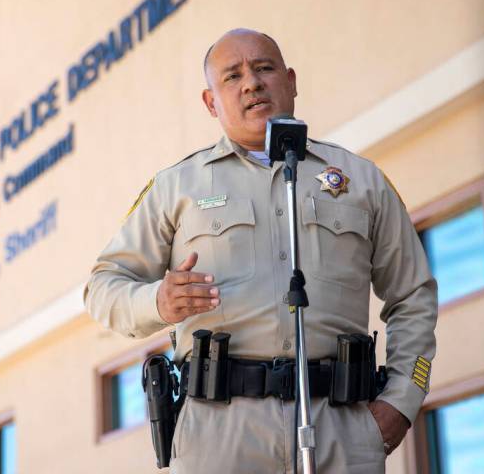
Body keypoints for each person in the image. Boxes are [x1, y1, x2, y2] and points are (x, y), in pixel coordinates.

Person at [84, 28, 437, 473]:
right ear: (211, 103)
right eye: (232, 76)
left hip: (342, 428)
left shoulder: (361, 181)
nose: (251, 83)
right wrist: (157, 301)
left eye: (264, 68)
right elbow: (101, 288)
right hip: (220, 433)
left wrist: (403, 400)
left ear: (291, 81)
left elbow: (414, 295)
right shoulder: (176, 187)